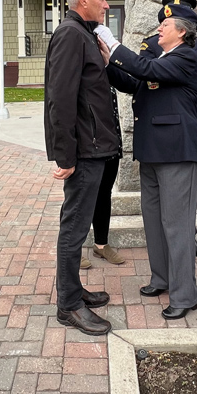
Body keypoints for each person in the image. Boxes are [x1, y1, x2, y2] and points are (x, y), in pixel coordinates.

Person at [95, 2, 197, 319]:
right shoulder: (162, 58)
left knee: (177, 226)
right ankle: (162, 279)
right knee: (155, 222)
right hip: (153, 151)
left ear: (182, 32)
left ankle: (186, 295)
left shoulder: (187, 57)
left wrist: (114, 43)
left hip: (177, 152)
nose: (159, 27)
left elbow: (145, 70)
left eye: (166, 26)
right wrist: (108, 64)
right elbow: (136, 82)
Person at [43, 0, 119, 336]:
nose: (107, 5)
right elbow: (60, 100)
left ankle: (74, 291)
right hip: (84, 152)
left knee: (78, 223)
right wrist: (66, 156)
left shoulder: (84, 33)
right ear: (83, 0)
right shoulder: (71, 35)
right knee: (73, 228)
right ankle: (68, 305)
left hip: (94, 147)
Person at [142, 0, 197, 258]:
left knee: (182, 201)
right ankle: (175, 248)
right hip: (162, 125)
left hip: (188, 120)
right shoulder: (151, 44)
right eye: (165, 18)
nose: (164, 24)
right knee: (169, 204)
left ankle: (189, 239)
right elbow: (146, 73)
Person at [83, 86, 126, 268]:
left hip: (110, 143)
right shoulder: (78, 64)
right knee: (80, 196)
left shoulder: (107, 69)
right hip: (88, 145)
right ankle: (71, 249)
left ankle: (101, 244)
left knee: (104, 193)